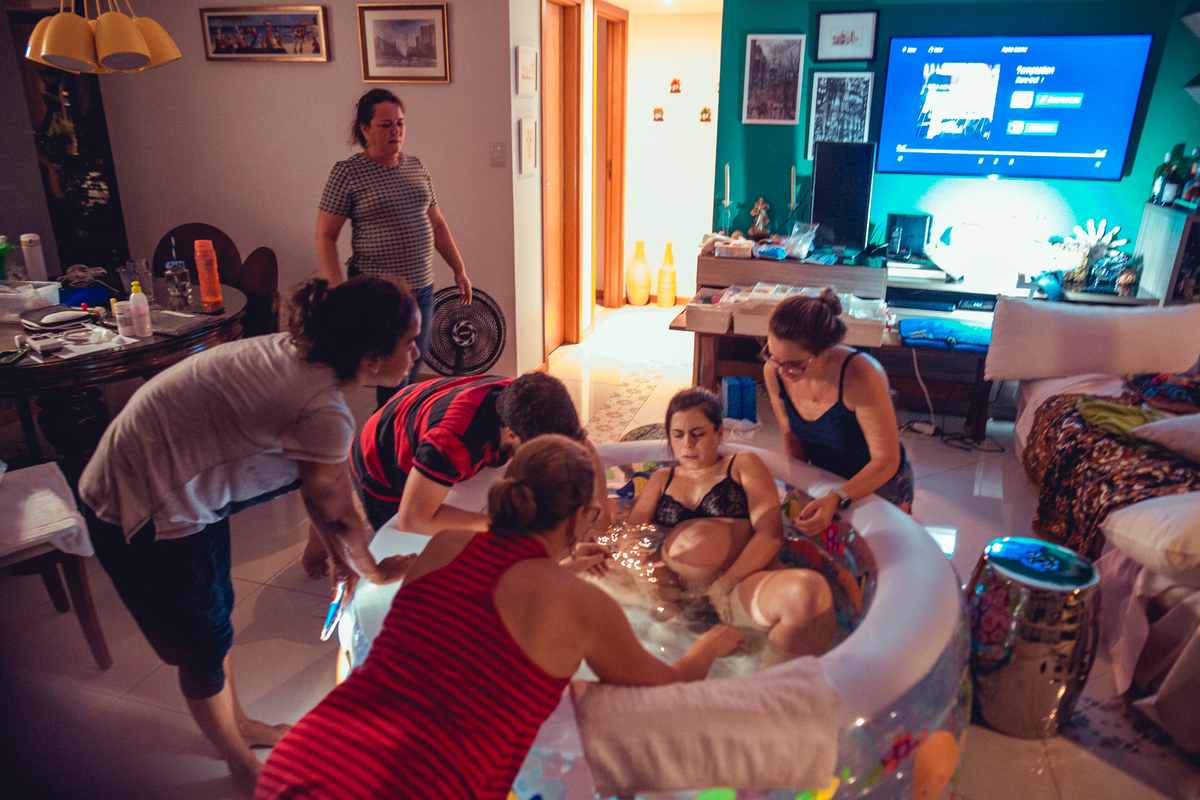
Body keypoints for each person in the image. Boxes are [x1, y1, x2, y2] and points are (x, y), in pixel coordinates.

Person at [78, 276, 422, 791]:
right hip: (142, 507)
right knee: (202, 646)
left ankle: (239, 724)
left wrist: (342, 564)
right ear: (371, 358)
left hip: (185, 496)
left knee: (217, 618)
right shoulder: (322, 409)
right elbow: (336, 510)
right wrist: (369, 569)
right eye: (409, 342)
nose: (417, 351)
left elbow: (321, 497)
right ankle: (240, 763)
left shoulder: (307, 354)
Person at [256, 435, 742, 800]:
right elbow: (668, 685)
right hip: (413, 786)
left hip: (308, 754)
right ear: (576, 519)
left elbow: (474, 611)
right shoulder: (580, 604)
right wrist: (714, 643)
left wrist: (563, 568)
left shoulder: (447, 546)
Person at [302, 372, 610, 576]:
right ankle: (317, 545)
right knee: (407, 553)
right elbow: (413, 518)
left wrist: (601, 516)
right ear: (514, 437)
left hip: (418, 409)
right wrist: (507, 525)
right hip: (380, 459)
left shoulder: (531, 400)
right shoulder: (453, 442)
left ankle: (322, 522)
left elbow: (585, 449)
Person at [625, 388, 837, 665]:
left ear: (719, 433)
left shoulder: (741, 465)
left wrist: (725, 584)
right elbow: (629, 539)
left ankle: (766, 695)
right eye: (678, 435)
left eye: (698, 434)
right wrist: (659, 588)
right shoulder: (662, 478)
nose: (687, 444)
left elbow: (771, 534)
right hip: (676, 594)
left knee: (807, 592)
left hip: (738, 585)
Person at [317, 88, 473, 408]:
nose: (396, 131)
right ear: (364, 130)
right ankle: (388, 439)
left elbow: (438, 224)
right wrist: (336, 289)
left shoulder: (416, 166)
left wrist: (459, 269)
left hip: (422, 287)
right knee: (391, 374)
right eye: (385, 124)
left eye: (400, 123)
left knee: (412, 366)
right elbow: (325, 236)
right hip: (379, 294)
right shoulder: (347, 173)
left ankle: (396, 429)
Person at [763, 289, 914, 536]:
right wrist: (798, 489)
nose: (781, 370)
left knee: (874, 552)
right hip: (825, 475)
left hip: (877, 480)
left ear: (824, 350)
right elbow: (790, 434)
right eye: (774, 357)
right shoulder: (774, 370)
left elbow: (886, 461)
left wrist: (837, 497)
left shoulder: (862, 375)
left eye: (794, 365)